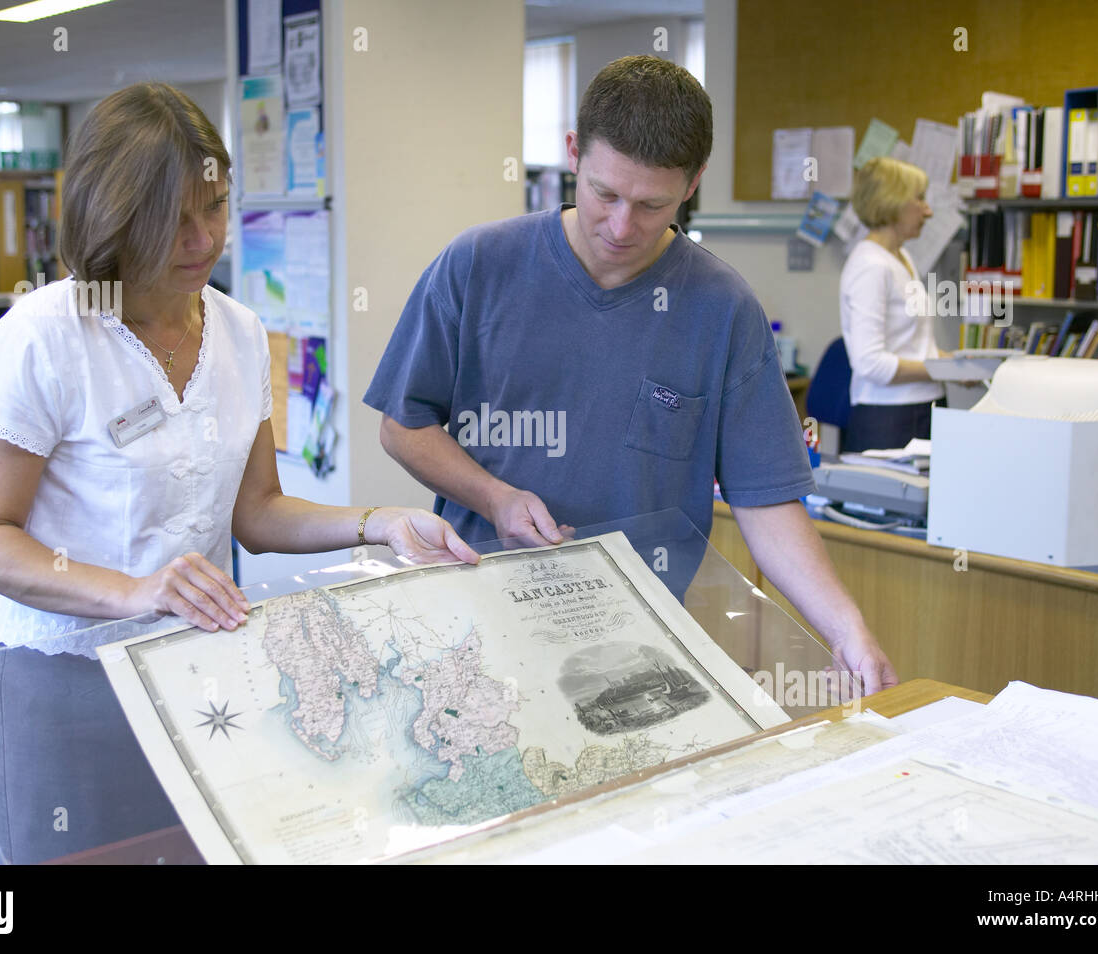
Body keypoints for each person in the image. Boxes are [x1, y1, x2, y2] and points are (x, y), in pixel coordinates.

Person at [0, 83, 476, 863]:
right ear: (115, 217)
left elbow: (257, 511)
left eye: (216, 208)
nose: (203, 240)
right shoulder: (46, 335)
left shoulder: (236, 328)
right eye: (174, 220)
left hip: (202, 668)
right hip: (68, 678)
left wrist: (380, 522)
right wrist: (135, 591)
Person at [364, 56, 897, 697]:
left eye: (652, 205)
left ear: (694, 183)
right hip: (481, 622)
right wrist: (495, 498)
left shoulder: (722, 307)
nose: (622, 227)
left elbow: (766, 499)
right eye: (605, 194)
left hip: (638, 643)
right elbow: (403, 424)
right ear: (573, 156)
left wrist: (845, 628)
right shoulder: (479, 265)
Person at [839, 157, 947, 452]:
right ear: (892, 202)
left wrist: (957, 365)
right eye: (920, 199)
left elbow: (913, 346)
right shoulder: (870, 266)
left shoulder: (902, 258)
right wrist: (941, 369)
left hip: (924, 406)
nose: (928, 211)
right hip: (889, 418)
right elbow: (870, 362)